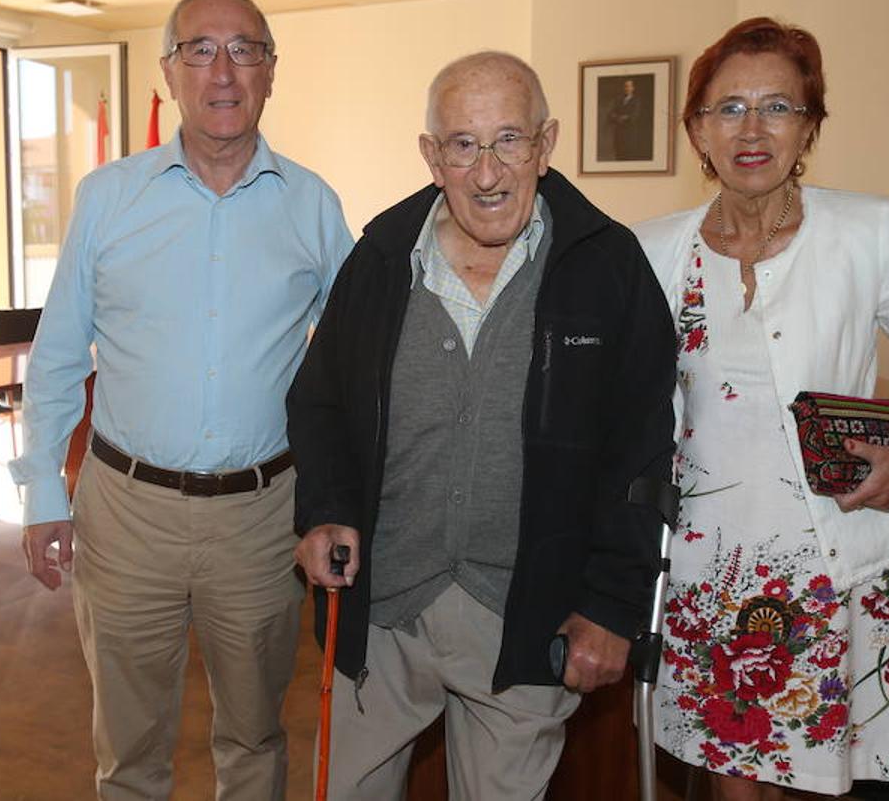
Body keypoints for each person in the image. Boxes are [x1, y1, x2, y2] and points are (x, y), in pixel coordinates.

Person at [288, 51, 677, 798]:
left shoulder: (609, 268)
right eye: (464, 145)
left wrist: (610, 607)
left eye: (510, 140)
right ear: (433, 156)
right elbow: (321, 403)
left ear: (546, 143)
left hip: (527, 614)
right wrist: (326, 511)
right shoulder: (378, 259)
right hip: (384, 610)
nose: (489, 172)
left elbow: (640, 453)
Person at [632, 17, 889, 799]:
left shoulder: (866, 232)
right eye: (728, 108)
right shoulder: (653, 249)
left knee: (815, 782)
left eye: (777, 107)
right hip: (706, 564)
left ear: (810, 127)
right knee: (732, 778)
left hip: (834, 559)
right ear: (696, 129)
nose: (751, 129)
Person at [10, 0, 353, 800]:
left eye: (245, 49)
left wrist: (342, 501)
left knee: (254, 739)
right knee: (128, 753)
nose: (223, 71)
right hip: (126, 515)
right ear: (169, 70)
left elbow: (351, 373)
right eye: (200, 49)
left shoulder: (311, 205)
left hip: (263, 519)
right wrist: (38, 498)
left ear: (271, 71)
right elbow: (58, 357)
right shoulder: (108, 198)